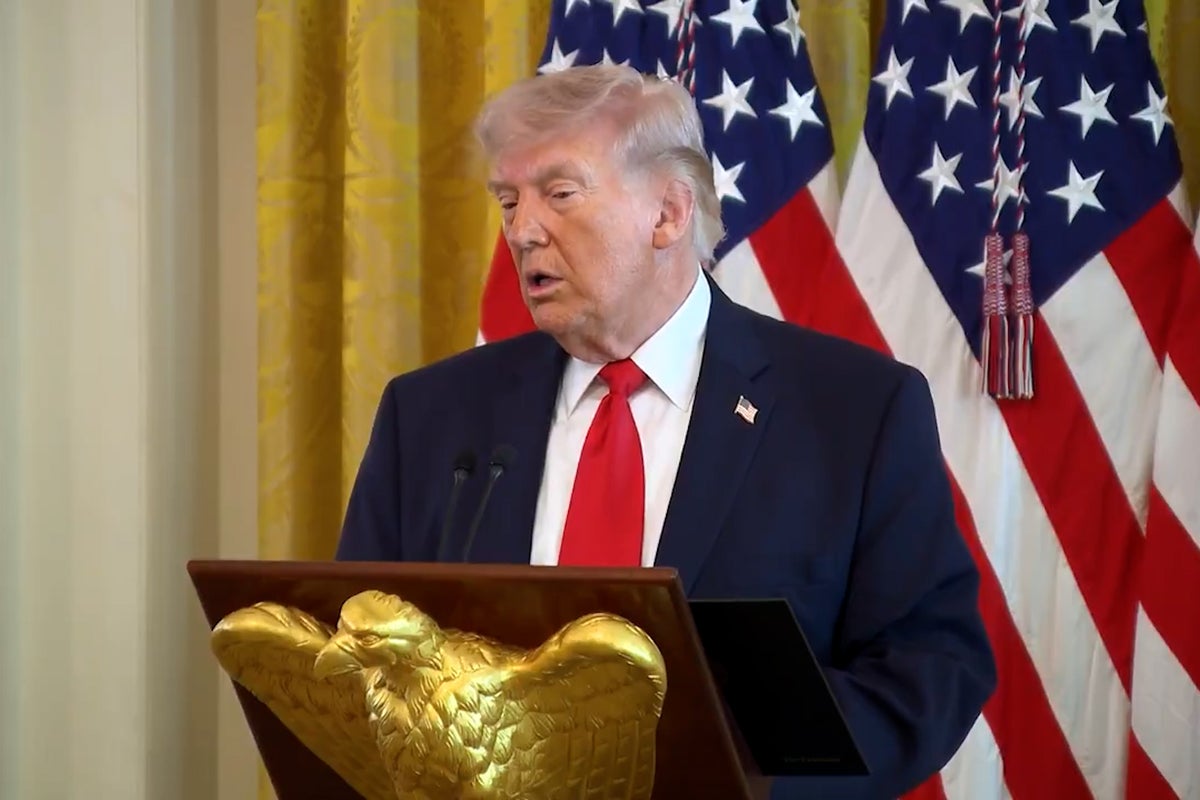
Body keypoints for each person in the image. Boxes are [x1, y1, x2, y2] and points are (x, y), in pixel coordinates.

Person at [335, 64, 996, 798]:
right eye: (509, 200)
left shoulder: (852, 411)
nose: (522, 231)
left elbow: (929, 670)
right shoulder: (431, 416)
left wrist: (752, 778)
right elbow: (354, 654)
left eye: (560, 193)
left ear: (669, 214)